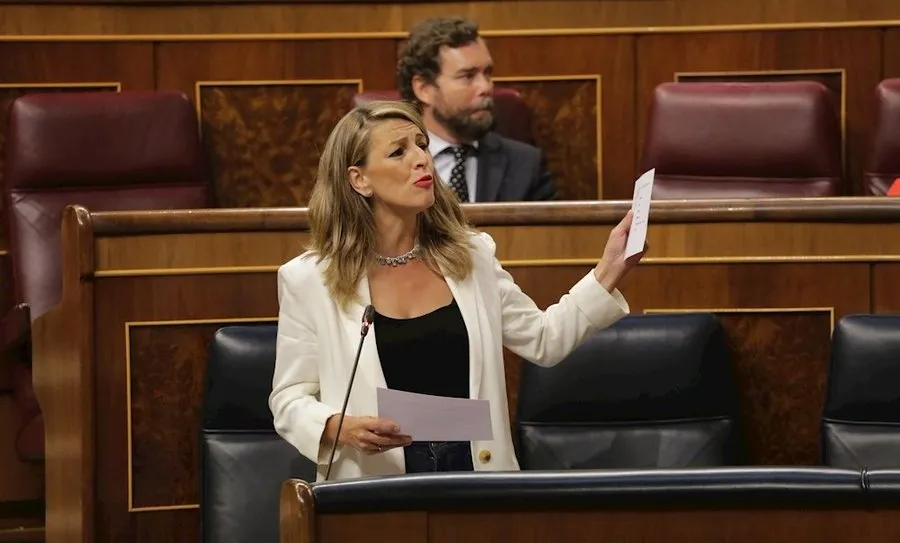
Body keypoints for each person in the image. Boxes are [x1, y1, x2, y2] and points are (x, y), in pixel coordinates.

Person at [269, 100, 645, 482]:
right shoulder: (311, 280)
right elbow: (289, 400)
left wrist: (610, 268)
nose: (421, 159)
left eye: (421, 145)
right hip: (375, 485)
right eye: (399, 152)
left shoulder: (472, 257)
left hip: (475, 477)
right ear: (358, 179)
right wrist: (337, 426)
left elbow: (545, 340)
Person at [397, 16, 558, 203]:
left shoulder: (526, 166)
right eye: (468, 76)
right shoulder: (389, 166)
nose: (485, 87)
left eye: (487, 74)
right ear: (424, 89)